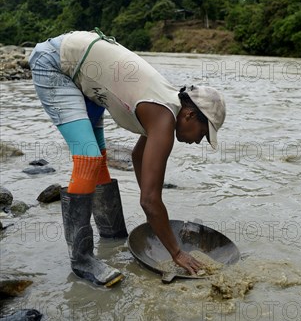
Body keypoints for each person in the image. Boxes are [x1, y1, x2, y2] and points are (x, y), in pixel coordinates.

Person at [28, 28, 226, 288]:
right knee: (87, 158)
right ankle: (82, 260)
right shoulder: (164, 117)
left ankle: (111, 236)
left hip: (86, 75)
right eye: (202, 133)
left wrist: (152, 216)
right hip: (56, 64)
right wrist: (176, 252)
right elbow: (150, 199)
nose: (198, 141)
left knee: (98, 157)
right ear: (189, 115)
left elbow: (137, 156)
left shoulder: (165, 107)